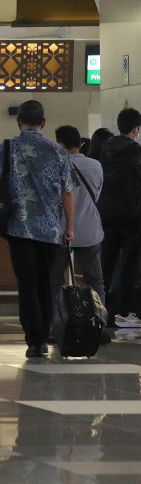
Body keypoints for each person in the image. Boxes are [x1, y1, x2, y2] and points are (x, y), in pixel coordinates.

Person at [0, 100, 74, 358]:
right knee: (46, 283)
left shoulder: (8, 146)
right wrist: (69, 227)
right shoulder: (58, 151)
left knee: (26, 284)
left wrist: (17, 192)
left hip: (19, 228)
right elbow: (68, 193)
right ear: (44, 123)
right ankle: (45, 334)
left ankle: (33, 341)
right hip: (49, 231)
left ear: (18, 121)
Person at [52, 126, 106, 322]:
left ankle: (55, 323)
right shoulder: (96, 166)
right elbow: (97, 195)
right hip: (90, 229)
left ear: (60, 144)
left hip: (60, 231)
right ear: (81, 144)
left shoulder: (56, 165)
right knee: (94, 280)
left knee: (55, 279)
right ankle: (99, 322)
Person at [97, 108, 141, 327]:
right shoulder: (135, 151)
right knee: (129, 265)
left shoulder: (104, 149)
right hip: (131, 215)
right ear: (136, 129)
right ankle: (124, 311)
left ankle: (101, 310)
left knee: (106, 262)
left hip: (106, 213)